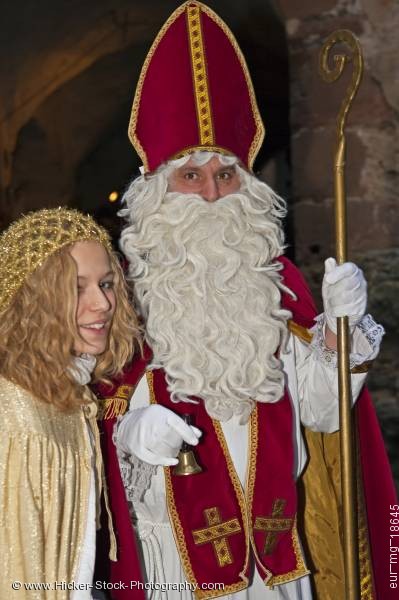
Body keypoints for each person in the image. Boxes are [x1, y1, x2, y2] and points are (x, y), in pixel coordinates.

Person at [98, 2, 397, 599]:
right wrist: (128, 436)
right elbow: (82, 430)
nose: (212, 194)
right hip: (171, 565)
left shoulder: (275, 283)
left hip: (279, 566)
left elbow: (323, 412)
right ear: (156, 189)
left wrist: (341, 329)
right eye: (191, 176)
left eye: (226, 175)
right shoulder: (118, 299)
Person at [0, 207, 142, 600]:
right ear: (33, 299)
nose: (103, 304)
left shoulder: (71, 395)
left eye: (107, 284)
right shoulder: (15, 411)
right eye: (76, 287)